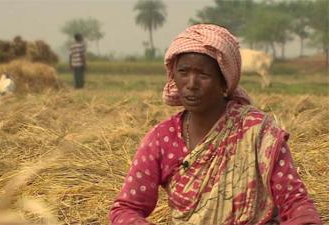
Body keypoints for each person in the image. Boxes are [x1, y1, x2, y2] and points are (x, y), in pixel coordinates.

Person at [109, 24, 323, 225]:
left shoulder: (259, 133)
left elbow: (295, 202)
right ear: (173, 76)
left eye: (203, 75)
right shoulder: (162, 138)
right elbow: (126, 208)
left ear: (224, 82)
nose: (191, 84)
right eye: (183, 72)